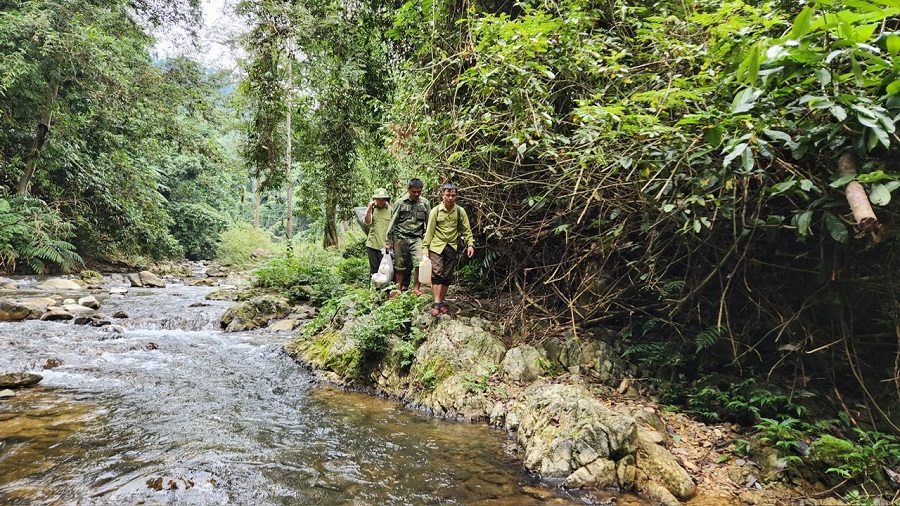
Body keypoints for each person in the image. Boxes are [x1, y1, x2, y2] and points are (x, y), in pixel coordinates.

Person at [422, 182, 474, 316]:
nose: (450, 198)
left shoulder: (459, 211)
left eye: (453, 195)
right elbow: (429, 231)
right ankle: (436, 303)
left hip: (452, 246)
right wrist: (425, 249)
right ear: (442, 195)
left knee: (447, 277)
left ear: (456, 196)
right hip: (436, 246)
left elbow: (466, 229)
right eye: (448, 195)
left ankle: (441, 302)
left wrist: (470, 245)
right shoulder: (436, 211)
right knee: (437, 274)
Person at [385, 178, 430, 295]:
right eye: (414, 191)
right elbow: (392, 222)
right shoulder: (400, 202)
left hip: (416, 238)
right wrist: (388, 241)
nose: (416, 194)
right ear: (408, 189)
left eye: (419, 192)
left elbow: (429, 223)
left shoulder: (425, 203)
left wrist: (428, 242)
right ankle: (398, 290)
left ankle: (416, 288)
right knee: (399, 266)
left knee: (419, 263)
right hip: (400, 237)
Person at [363, 188, 392, 276]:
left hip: (385, 246)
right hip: (372, 244)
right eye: (378, 199)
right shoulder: (372, 209)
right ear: (375, 199)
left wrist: (390, 243)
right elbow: (367, 222)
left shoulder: (391, 210)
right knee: (374, 270)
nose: (381, 201)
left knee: (385, 270)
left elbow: (394, 228)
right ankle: (376, 289)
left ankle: (386, 289)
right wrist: (368, 209)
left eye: (383, 199)